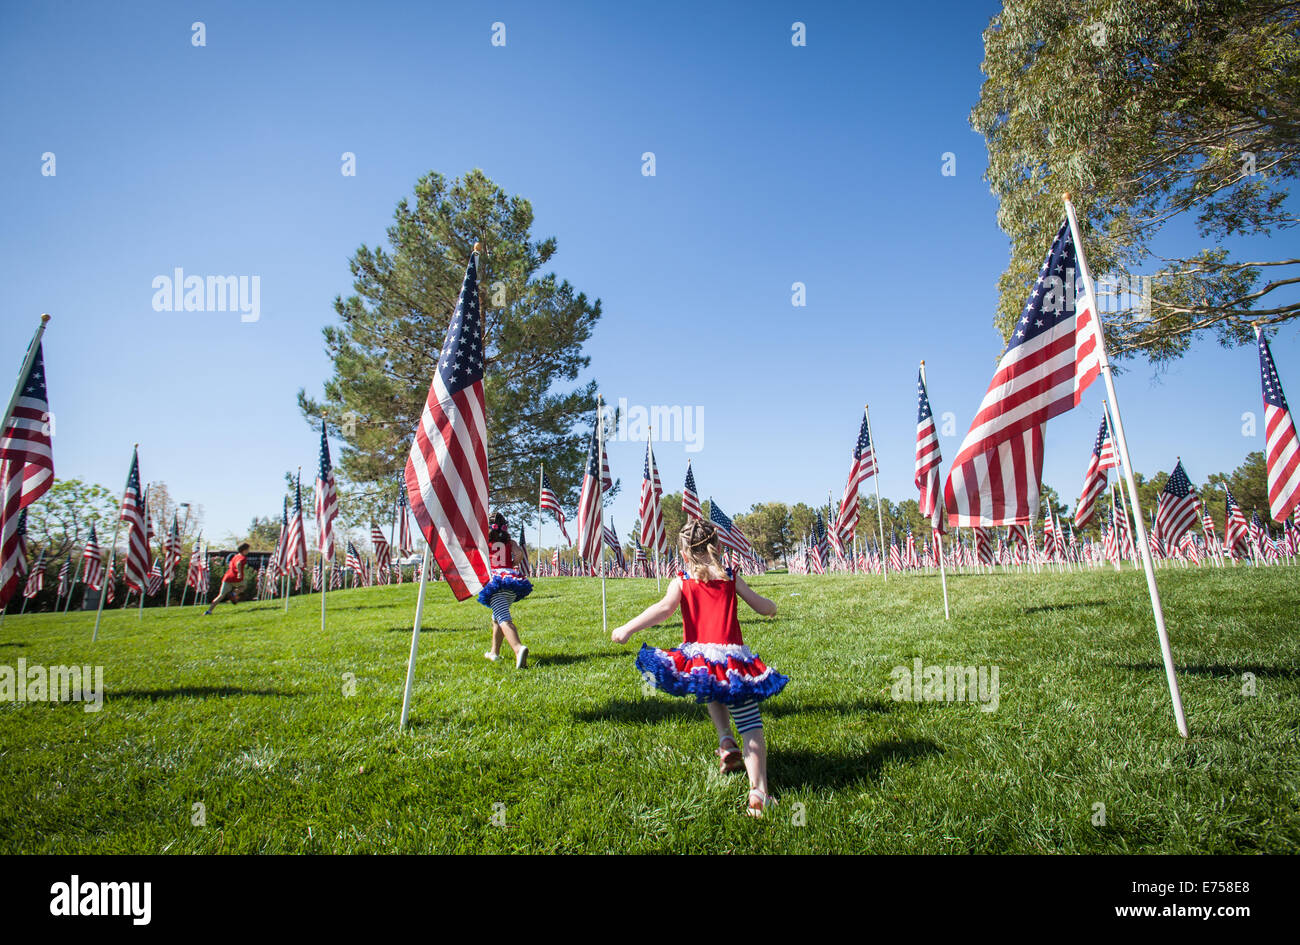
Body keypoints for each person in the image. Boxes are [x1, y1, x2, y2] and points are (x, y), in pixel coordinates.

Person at [611, 519, 787, 817]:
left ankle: (724, 738)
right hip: (733, 661)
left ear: (683, 553)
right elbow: (759, 605)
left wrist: (627, 628)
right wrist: (771, 607)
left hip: (700, 658)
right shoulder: (730, 576)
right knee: (751, 723)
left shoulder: (681, 579)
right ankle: (758, 791)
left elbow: (663, 610)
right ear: (717, 547)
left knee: (710, 691)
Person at [478, 513, 533, 668]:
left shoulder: (485, 541)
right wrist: (511, 563)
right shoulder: (511, 541)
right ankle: (494, 653)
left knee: (503, 618)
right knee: (496, 618)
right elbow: (519, 555)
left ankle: (518, 648)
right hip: (511, 581)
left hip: (495, 583)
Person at [204, 543, 250, 615]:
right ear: (243, 550)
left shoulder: (235, 556)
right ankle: (233, 594)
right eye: (247, 549)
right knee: (244, 585)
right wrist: (239, 573)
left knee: (221, 595)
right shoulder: (243, 557)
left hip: (227, 578)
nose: (248, 551)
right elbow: (239, 563)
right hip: (236, 578)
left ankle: (209, 611)